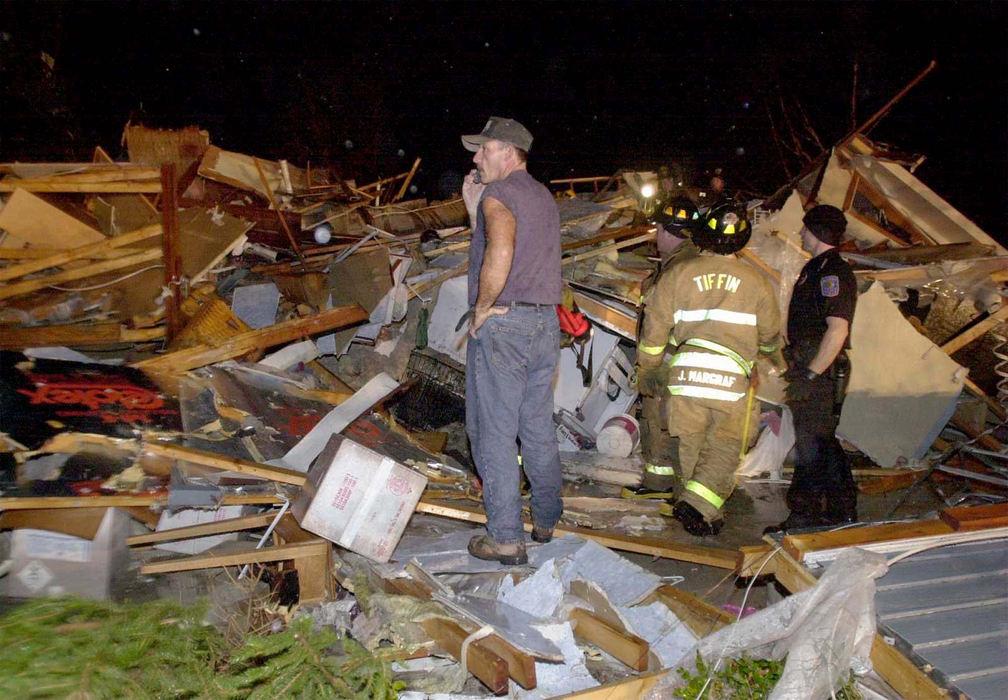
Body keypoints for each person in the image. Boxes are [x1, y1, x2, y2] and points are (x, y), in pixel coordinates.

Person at [636, 202, 781, 535]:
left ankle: (703, 516)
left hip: (686, 378)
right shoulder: (756, 281)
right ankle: (698, 505)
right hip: (730, 380)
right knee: (727, 445)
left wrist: (649, 369)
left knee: (690, 446)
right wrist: (773, 357)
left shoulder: (678, 274)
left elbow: (654, 330)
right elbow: (770, 333)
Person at [459, 116, 563, 565]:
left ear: (506, 152)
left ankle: (504, 537)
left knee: (493, 434)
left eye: (483, 149)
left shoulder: (499, 194)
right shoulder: (542, 196)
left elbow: (501, 251)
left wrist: (482, 307)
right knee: (536, 428)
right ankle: (545, 520)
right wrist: (471, 210)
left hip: (507, 325)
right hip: (545, 326)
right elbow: (513, 249)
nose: (476, 157)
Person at [769, 204, 858, 532]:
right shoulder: (817, 267)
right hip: (807, 369)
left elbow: (838, 330)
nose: (801, 233)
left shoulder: (834, 272)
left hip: (818, 375)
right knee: (822, 441)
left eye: (806, 228)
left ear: (818, 231)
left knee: (810, 445)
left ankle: (803, 515)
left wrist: (811, 374)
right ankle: (841, 509)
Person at [623, 197, 701, 502]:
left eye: (658, 228)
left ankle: (678, 492)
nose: (655, 235)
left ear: (670, 231)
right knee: (657, 423)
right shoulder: (675, 266)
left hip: (671, 363)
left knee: (669, 426)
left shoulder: (681, 270)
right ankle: (659, 485)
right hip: (667, 361)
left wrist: (655, 363)